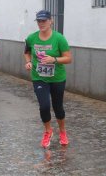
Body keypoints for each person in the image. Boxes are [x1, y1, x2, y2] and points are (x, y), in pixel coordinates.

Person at [24, 10, 72, 149]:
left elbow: (68, 58)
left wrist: (54, 59)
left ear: (51, 21)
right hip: (39, 78)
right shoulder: (31, 38)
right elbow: (26, 52)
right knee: (44, 106)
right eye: (39, 21)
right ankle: (48, 131)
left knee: (58, 107)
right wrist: (28, 62)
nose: (41, 23)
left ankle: (62, 132)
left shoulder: (59, 38)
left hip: (57, 78)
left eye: (44, 21)